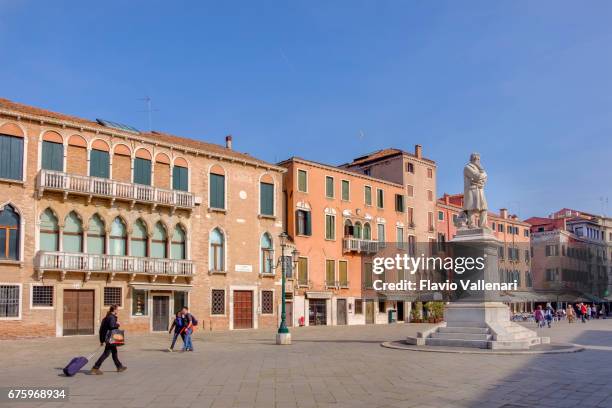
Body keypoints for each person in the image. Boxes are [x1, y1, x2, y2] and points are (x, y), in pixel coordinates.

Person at [91, 305, 127, 375]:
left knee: (114, 352)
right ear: (114, 310)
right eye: (117, 309)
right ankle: (95, 367)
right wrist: (117, 324)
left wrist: (102, 340)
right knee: (106, 353)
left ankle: (119, 366)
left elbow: (102, 329)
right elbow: (111, 326)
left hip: (108, 338)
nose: (118, 311)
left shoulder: (107, 317)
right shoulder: (111, 317)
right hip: (110, 338)